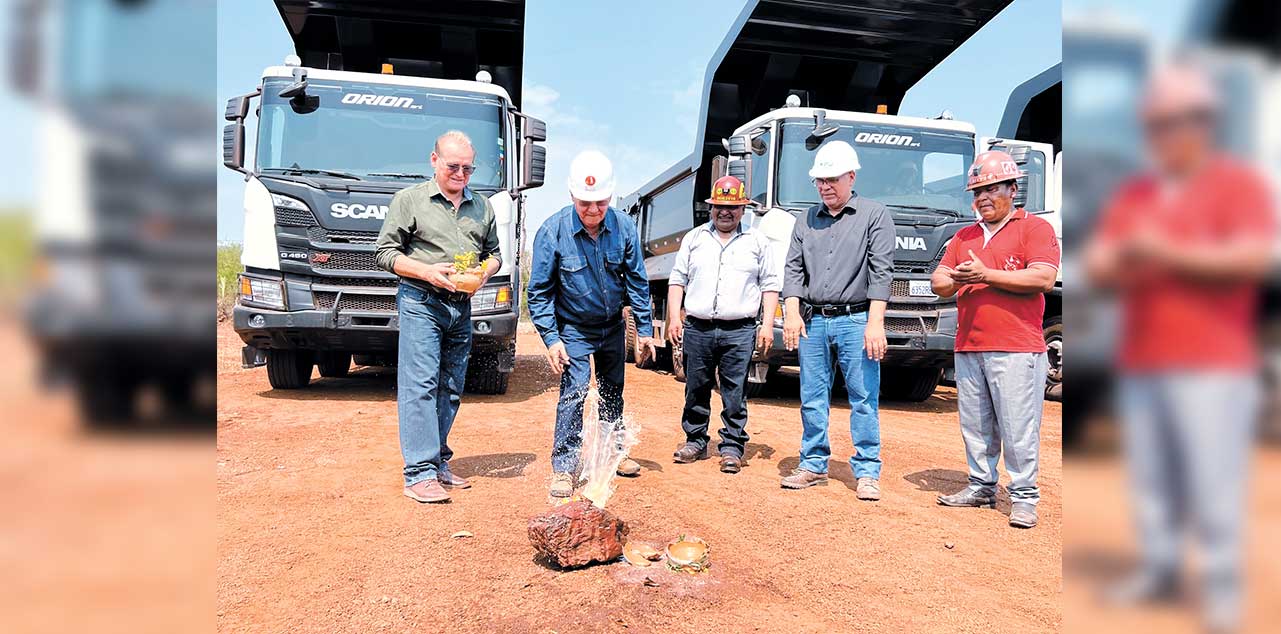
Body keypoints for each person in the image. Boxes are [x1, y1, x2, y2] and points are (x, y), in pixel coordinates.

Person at [1086, 61, 1275, 632]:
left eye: (1172, 123)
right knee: (1150, 478)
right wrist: (1129, 259)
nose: (1161, 135)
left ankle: (1220, 589)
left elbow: (1250, 258)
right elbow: (1100, 264)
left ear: (1203, 124)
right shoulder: (1137, 190)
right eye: (1155, 124)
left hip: (1213, 364)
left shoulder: (1238, 185)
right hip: (1143, 360)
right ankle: (1160, 570)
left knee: (1212, 480)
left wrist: (1164, 254)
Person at [930, 150, 1060, 529]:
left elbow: (1042, 279)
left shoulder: (1034, 229)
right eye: (978, 192)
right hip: (969, 345)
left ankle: (1023, 496)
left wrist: (985, 274)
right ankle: (981, 484)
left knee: (1018, 426)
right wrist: (958, 278)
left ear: (1012, 189)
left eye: (991, 189)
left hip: (1017, 347)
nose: (983, 198)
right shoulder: (964, 235)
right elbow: (939, 282)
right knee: (976, 424)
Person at [374, 130, 501, 504]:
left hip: (461, 306)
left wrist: (484, 273)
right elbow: (384, 253)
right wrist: (426, 271)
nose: (460, 174)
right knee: (420, 386)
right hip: (421, 301)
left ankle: (438, 461)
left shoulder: (483, 207)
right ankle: (418, 473)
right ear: (434, 161)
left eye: (467, 168)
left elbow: (494, 253)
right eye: (453, 166)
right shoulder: (409, 200)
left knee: (450, 387)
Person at [526, 150, 658, 498]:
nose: (593, 211)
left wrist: (644, 329)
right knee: (575, 391)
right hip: (573, 330)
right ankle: (565, 467)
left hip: (612, 326)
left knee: (613, 389)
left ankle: (613, 452)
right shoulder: (552, 232)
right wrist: (552, 339)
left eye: (600, 202)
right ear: (572, 196)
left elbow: (638, 282)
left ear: (610, 197)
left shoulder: (624, 227)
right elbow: (539, 292)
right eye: (585, 203)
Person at [779, 140, 894, 500]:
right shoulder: (806, 219)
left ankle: (867, 471)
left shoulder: (875, 215)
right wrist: (792, 312)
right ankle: (813, 464)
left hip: (856, 320)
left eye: (831, 179)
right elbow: (793, 269)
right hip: (813, 321)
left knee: (863, 396)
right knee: (812, 395)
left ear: (851, 176)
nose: (825, 186)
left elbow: (881, 272)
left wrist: (876, 323)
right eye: (819, 180)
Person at [667, 175, 781, 473]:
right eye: (719, 206)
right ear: (711, 207)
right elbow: (677, 280)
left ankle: (732, 446)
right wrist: (672, 317)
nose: (725, 212)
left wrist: (767, 325)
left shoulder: (757, 242)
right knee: (696, 387)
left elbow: (770, 284)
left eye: (732, 207)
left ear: (743, 209)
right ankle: (695, 439)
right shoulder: (694, 239)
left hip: (740, 330)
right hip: (698, 327)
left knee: (734, 391)